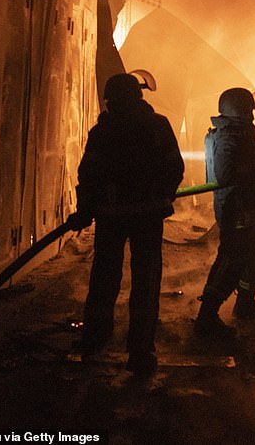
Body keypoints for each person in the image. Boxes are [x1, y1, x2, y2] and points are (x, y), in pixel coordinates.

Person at [67, 72, 184, 376]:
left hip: (111, 216)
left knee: (104, 277)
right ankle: (140, 350)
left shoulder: (102, 131)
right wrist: (163, 197)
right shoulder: (157, 125)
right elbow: (175, 166)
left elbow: (88, 174)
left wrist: (85, 208)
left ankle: (95, 339)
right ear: (138, 96)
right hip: (147, 216)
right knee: (145, 281)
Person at [194, 87, 255, 338]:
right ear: (241, 111)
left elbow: (253, 159)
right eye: (249, 110)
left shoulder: (238, 134)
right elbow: (230, 174)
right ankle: (206, 317)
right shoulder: (227, 138)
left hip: (246, 210)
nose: (253, 115)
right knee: (231, 263)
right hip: (235, 211)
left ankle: (245, 304)